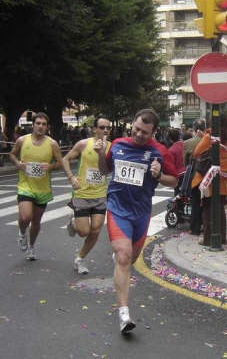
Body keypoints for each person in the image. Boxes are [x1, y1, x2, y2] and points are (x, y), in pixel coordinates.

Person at [95, 109, 178, 334]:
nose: (140, 134)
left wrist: (159, 175)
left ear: (154, 132)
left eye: (145, 132)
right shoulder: (118, 144)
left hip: (141, 213)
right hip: (117, 209)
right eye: (137, 129)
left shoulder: (159, 151)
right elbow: (105, 171)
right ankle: (124, 314)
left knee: (130, 259)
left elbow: (174, 181)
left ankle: (121, 262)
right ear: (132, 123)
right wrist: (101, 155)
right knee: (123, 257)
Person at [9, 112, 64, 261]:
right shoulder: (22, 140)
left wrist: (51, 166)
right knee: (26, 216)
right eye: (38, 123)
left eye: (44, 124)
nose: (40, 126)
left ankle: (31, 247)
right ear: (33, 125)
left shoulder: (52, 144)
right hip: (25, 185)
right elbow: (12, 154)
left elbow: (61, 163)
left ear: (47, 127)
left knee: (36, 222)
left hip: (43, 188)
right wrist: (18, 164)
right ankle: (21, 233)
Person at [62, 116, 112, 274]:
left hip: (100, 194)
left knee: (96, 230)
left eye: (108, 128)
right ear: (94, 129)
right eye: (102, 127)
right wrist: (71, 178)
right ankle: (73, 220)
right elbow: (65, 159)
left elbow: (110, 170)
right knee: (84, 231)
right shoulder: (83, 144)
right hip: (82, 193)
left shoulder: (112, 147)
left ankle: (80, 259)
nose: (105, 130)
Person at [191, 114, 227, 246]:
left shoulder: (210, 137)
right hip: (223, 175)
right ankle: (222, 238)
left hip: (209, 176)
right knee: (220, 207)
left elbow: (196, 152)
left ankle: (208, 238)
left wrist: (205, 135)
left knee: (208, 208)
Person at [183, 119, 206, 236]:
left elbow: (185, 163)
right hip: (207, 175)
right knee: (206, 201)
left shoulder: (187, 143)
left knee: (195, 202)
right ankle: (205, 225)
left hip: (193, 174)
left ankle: (194, 227)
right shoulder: (209, 141)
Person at [166, 128, 185, 196]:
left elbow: (171, 166)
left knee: (178, 195)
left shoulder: (171, 150)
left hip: (179, 174)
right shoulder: (185, 144)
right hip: (188, 172)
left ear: (170, 139)